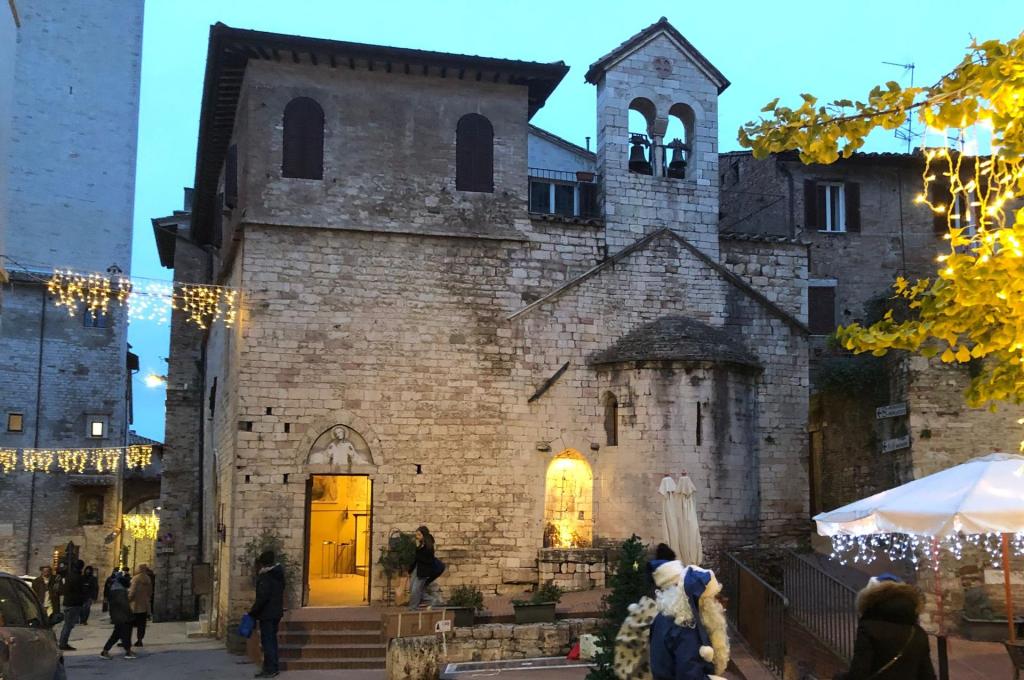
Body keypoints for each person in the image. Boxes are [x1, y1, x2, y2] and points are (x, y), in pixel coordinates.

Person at [614, 560, 730, 680]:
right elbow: (688, 674)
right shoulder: (686, 626)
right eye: (711, 598)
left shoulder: (662, 616)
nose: (715, 602)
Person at [835, 574, 936, 680]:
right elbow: (927, 675)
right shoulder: (918, 633)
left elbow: (858, 674)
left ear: (871, 598)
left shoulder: (869, 629)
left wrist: (839, 677)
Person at [249, 550, 285, 679]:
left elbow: (262, 598)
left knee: (268, 642)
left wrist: (252, 612)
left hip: (267, 614)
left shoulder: (266, 577)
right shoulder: (278, 574)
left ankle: (270, 669)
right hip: (276, 612)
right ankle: (272, 667)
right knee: (272, 641)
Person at [100, 574, 135, 660]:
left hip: (117, 616)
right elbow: (124, 605)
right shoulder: (120, 592)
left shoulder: (113, 590)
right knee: (126, 634)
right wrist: (130, 614)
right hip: (123, 616)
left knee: (116, 634)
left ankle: (105, 651)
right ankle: (128, 652)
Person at [408, 526, 441, 610]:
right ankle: (432, 600)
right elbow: (416, 559)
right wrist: (410, 570)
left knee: (416, 590)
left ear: (424, 535)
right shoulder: (420, 544)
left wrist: (418, 550)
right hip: (416, 569)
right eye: (416, 535)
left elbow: (428, 560)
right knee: (413, 589)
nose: (417, 537)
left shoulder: (429, 546)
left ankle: (413, 607)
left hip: (423, 571)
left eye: (419, 535)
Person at [58, 560, 86, 651]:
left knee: (68, 624)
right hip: (73, 603)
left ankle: (63, 642)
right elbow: (79, 590)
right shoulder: (77, 577)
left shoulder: (69, 576)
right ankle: (63, 643)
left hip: (69, 602)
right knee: (68, 625)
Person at [127, 564, 153, 646]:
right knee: (141, 625)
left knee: (128, 624)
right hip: (144, 605)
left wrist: (128, 600)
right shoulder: (148, 579)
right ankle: (139, 640)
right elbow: (150, 592)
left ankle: (127, 641)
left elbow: (132, 591)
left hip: (135, 605)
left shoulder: (135, 578)